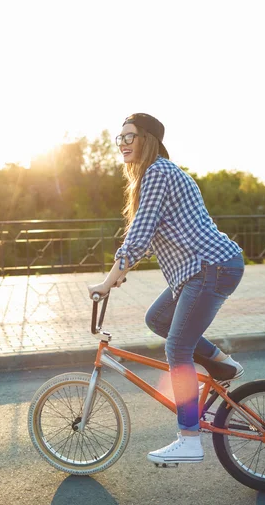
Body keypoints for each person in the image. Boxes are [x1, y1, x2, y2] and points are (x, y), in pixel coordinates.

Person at [88, 113, 244, 465]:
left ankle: (189, 437)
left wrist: (106, 281)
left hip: (209, 268)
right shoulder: (159, 174)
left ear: (148, 139)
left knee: (177, 347)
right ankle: (222, 364)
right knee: (157, 318)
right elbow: (156, 235)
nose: (123, 143)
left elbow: (139, 235)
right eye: (120, 138)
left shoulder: (158, 172)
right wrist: (120, 272)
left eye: (130, 136)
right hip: (203, 270)